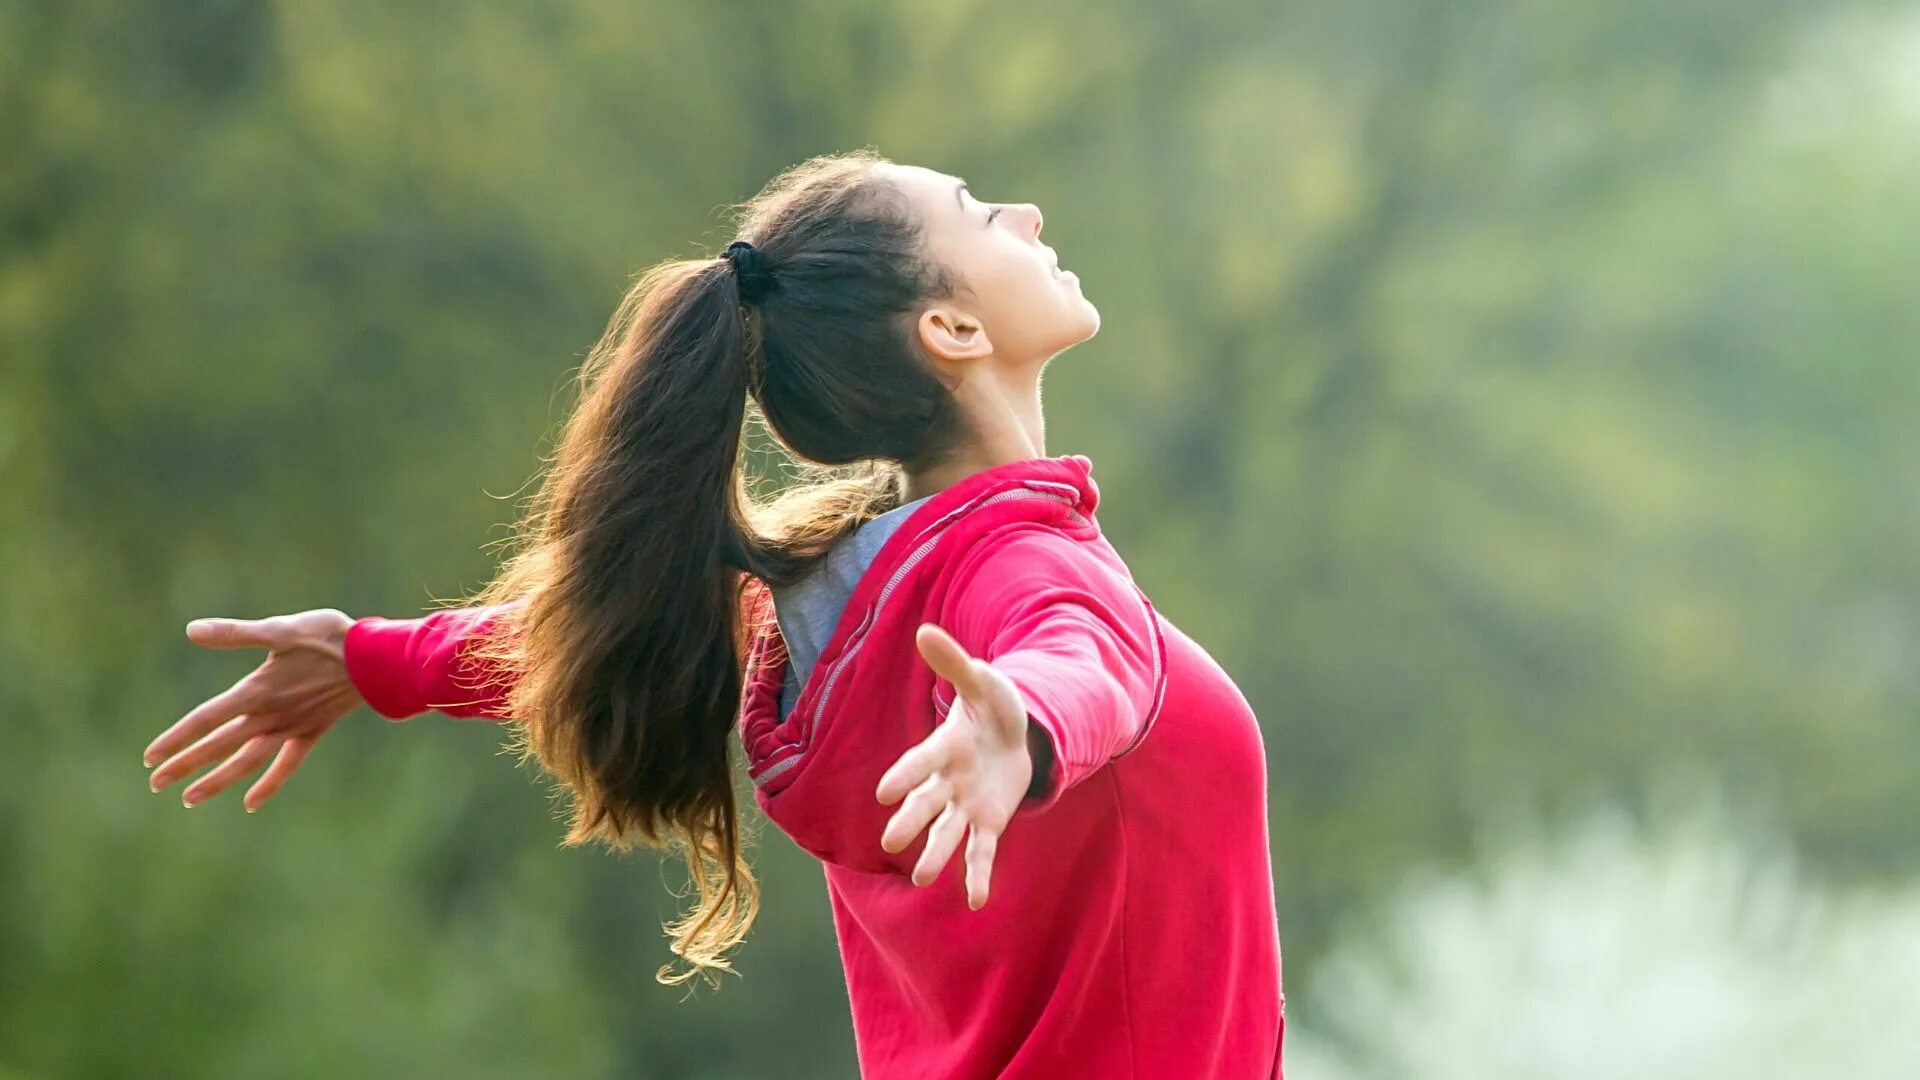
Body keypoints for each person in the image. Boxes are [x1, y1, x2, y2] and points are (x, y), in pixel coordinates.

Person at [143, 150, 1285, 1078]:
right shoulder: (1015, 559)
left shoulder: (831, 607)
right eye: (983, 216)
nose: (1028, 210)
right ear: (952, 331)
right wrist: (1024, 728)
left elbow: (616, 624)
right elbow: (1080, 653)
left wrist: (375, 660)